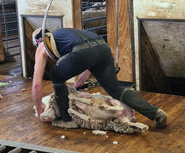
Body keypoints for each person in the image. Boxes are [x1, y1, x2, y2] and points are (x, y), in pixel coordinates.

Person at [31, 27, 167, 129]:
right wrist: (82, 79)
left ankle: (67, 120)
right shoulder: (65, 33)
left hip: (82, 52)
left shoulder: (42, 45)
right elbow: (90, 51)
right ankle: (155, 113)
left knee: (56, 76)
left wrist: (39, 108)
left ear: (38, 41)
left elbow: (37, 84)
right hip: (102, 47)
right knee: (115, 90)